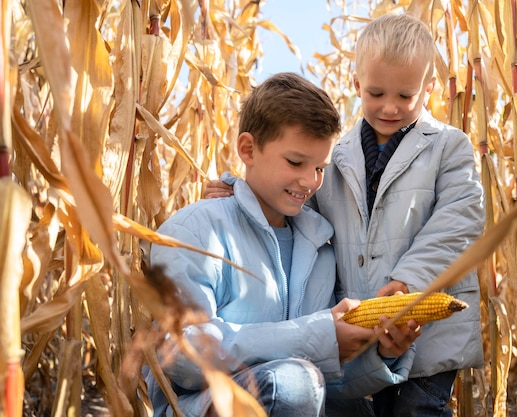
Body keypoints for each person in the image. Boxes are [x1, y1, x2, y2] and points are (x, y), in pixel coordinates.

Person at [204, 14, 485, 417]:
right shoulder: (333, 158)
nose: (389, 106)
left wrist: (409, 280)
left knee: (418, 409)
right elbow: (298, 206)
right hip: (366, 325)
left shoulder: (448, 147)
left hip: (430, 323)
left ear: (429, 89)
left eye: (405, 96)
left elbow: (459, 220)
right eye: (376, 93)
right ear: (356, 86)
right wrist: (240, 189)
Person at [145, 72, 421, 417]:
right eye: (295, 162)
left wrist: (379, 350)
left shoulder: (320, 247)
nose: (310, 181)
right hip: (205, 406)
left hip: (298, 398)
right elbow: (182, 355)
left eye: (320, 167)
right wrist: (317, 335)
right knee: (293, 384)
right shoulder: (195, 232)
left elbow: (329, 382)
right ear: (248, 149)